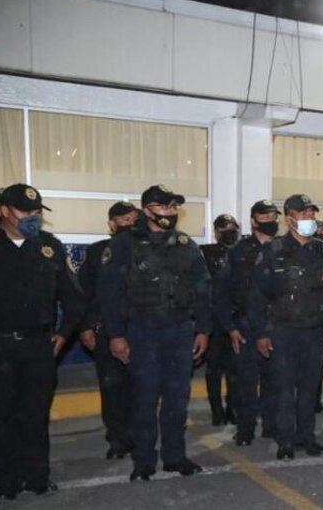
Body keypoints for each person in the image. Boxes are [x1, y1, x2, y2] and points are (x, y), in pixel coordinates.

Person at [0, 184, 84, 501]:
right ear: (5, 211)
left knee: (35, 415)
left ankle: (38, 477)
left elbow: (74, 297)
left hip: (38, 346)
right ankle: (7, 481)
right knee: (0, 416)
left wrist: (63, 334)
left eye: (37, 212)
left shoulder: (49, 247)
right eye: (26, 211)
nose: (33, 218)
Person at [100, 184, 211, 481]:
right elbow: (109, 294)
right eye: (163, 207)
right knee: (144, 400)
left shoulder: (187, 245)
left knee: (177, 398)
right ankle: (144, 461)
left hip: (179, 330)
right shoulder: (125, 244)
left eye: (173, 207)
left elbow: (203, 291)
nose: (169, 213)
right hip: (142, 330)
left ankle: (175, 457)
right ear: (146, 210)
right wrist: (116, 335)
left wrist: (203, 329)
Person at [251, 194, 323, 460]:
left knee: (309, 388)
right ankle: (285, 441)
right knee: (284, 389)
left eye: (312, 214)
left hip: (314, 332)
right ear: (289, 217)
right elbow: (258, 296)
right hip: (283, 331)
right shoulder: (273, 250)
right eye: (304, 215)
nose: (309, 219)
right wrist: (260, 333)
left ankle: (307, 437)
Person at [77, 201, 139, 460]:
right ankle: (117, 439)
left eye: (132, 219)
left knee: (141, 388)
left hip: (142, 331)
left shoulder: (149, 250)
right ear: (111, 224)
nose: (127, 224)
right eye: (121, 219)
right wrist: (85, 327)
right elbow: (83, 294)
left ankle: (140, 436)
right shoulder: (98, 253)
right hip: (108, 331)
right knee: (112, 389)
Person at [218, 200, 279, 446]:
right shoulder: (238, 251)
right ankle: (245, 428)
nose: (270, 220)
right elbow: (221, 293)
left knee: (275, 380)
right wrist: (230, 327)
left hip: (277, 325)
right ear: (254, 220)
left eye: (274, 216)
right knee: (246, 382)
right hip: (245, 326)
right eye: (264, 216)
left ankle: (271, 425)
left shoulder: (283, 248)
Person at [201, 214, 241, 426]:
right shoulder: (204, 253)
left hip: (236, 320)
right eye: (224, 228)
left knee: (235, 369)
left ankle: (232, 408)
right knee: (214, 370)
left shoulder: (242, 254)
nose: (229, 231)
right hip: (213, 322)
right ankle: (217, 410)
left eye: (233, 227)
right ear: (216, 231)